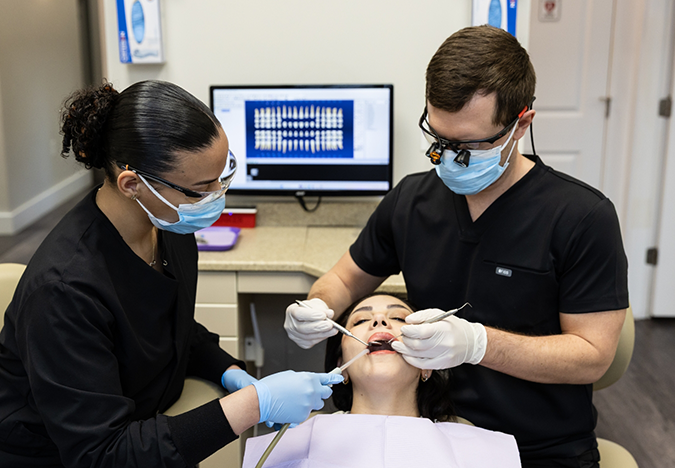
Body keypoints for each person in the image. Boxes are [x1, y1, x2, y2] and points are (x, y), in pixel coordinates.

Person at [282, 26, 629, 468]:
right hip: (429, 434)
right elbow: (345, 280)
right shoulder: (411, 201)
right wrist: (318, 304)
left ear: (521, 124)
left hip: (538, 449)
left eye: (468, 144)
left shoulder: (582, 217)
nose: (449, 156)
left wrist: (477, 343)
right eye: (440, 139)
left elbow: (592, 358)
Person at [0, 80, 341, 468]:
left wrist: (229, 371)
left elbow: (173, 327)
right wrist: (252, 405)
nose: (217, 196)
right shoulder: (64, 291)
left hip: (143, 416)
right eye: (200, 189)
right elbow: (102, 455)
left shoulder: (167, 226)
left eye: (221, 177)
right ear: (133, 185)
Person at [241, 294, 521, 468]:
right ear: (341, 368)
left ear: (427, 365)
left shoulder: (476, 449)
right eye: (360, 321)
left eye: (398, 317)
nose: (379, 321)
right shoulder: (292, 442)